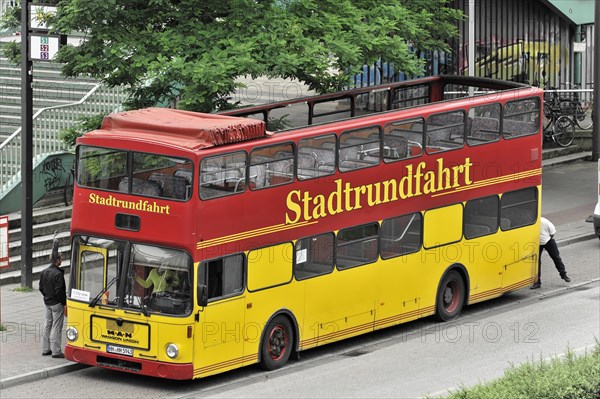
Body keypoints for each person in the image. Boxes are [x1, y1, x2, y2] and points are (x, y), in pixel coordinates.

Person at [39, 251, 67, 358]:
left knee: (47, 325)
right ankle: (56, 351)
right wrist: (63, 303)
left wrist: (46, 296)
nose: (62, 260)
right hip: (57, 303)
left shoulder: (44, 271)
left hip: (47, 302)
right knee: (56, 326)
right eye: (61, 258)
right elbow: (59, 291)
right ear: (58, 260)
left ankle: (45, 349)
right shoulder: (58, 274)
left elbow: (41, 287)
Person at [531, 217, 571, 289]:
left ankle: (563, 275)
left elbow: (552, 233)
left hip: (548, 241)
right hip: (536, 243)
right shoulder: (531, 223)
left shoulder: (544, 222)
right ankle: (537, 282)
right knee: (536, 263)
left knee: (556, 258)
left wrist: (547, 239)